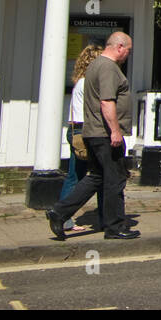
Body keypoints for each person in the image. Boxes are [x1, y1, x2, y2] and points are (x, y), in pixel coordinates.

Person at [48, 32, 139, 241]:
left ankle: (59, 212)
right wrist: (115, 131)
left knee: (97, 178)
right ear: (119, 47)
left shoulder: (95, 66)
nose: (128, 54)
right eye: (128, 50)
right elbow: (107, 101)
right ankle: (114, 227)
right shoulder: (107, 67)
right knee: (115, 180)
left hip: (95, 132)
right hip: (105, 134)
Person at [58, 44, 104, 230]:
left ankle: (63, 217)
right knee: (99, 175)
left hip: (76, 130)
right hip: (86, 131)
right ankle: (104, 217)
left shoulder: (81, 82)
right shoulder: (88, 83)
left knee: (74, 175)